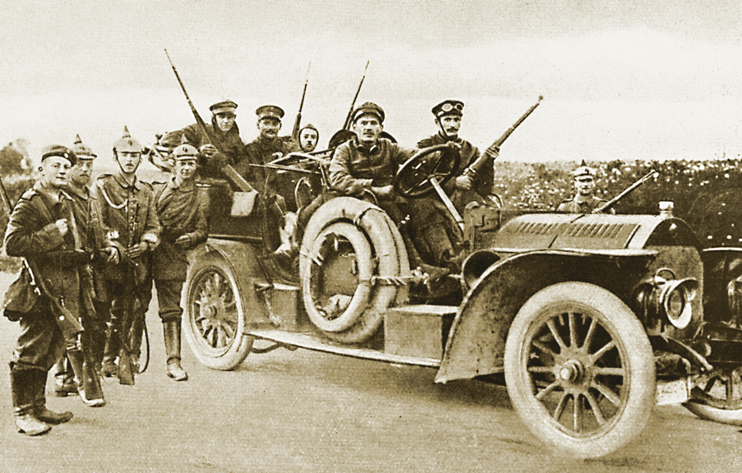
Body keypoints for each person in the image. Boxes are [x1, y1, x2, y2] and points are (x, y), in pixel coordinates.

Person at [4, 145, 89, 435]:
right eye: (56, 165)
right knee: (31, 348)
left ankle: (38, 406)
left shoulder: (62, 199)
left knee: (51, 347)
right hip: (38, 286)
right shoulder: (30, 202)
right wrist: (52, 234)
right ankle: (22, 413)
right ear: (41, 171)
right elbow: (12, 244)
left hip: (62, 286)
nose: (63, 170)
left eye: (66, 166)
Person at [329, 102, 462, 280]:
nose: (369, 128)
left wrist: (443, 153)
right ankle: (416, 266)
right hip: (361, 199)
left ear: (380, 128)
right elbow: (338, 178)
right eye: (364, 123)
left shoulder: (389, 147)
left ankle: (447, 261)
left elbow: (416, 154)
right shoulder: (344, 150)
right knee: (390, 215)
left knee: (426, 206)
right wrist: (373, 188)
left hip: (392, 196)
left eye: (373, 123)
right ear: (354, 127)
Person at [49, 135, 113, 407]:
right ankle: (67, 377)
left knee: (94, 322)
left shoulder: (92, 195)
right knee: (70, 323)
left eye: (89, 163)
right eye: (80, 164)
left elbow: (99, 229)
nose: (85, 169)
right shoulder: (61, 197)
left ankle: (74, 376)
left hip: (93, 269)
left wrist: (109, 246)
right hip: (70, 269)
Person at [93, 127, 160, 382]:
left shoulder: (145, 190)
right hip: (111, 262)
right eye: (125, 154)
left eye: (135, 155)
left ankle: (126, 358)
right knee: (107, 312)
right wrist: (117, 246)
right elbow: (98, 223)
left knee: (132, 310)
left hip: (138, 263)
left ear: (140, 158)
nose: (130, 159)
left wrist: (145, 244)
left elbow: (155, 226)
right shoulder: (104, 185)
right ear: (115, 156)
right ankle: (105, 360)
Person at [152, 140, 209, 381]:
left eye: (191, 164)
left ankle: (173, 362)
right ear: (173, 166)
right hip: (149, 250)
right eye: (182, 164)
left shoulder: (200, 195)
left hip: (173, 253)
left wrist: (192, 238)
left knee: (171, 311)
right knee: (133, 305)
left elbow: (202, 229)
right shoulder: (156, 190)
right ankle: (124, 357)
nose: (187, 168)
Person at [417, 99, 496, 215]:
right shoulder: (425, 146)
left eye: (456, 120)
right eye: (447, 120)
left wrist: (489, 162)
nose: (452, 125)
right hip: (433, 203)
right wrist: (454, 183)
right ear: (437, 122)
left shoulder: (471, 150)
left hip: (464, 204)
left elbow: (484, 189)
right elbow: (418, 181)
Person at [161, 100, 247, 178]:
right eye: (221, 117)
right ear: (214, 119)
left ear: (234, 118)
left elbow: (243, 159)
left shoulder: (236, 139)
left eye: (229, 117)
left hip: (228, 178)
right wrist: (197, 151)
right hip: (203, 178)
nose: (226, 121)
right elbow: (168, 139)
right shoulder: (199, 129)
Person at [234, 105, 300, 189]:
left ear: (280, 126)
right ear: (258, 125)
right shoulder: (251, 149)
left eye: (275, 124)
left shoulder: (286, 148)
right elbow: (259, 179)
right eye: (266, 123)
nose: (271, 128)